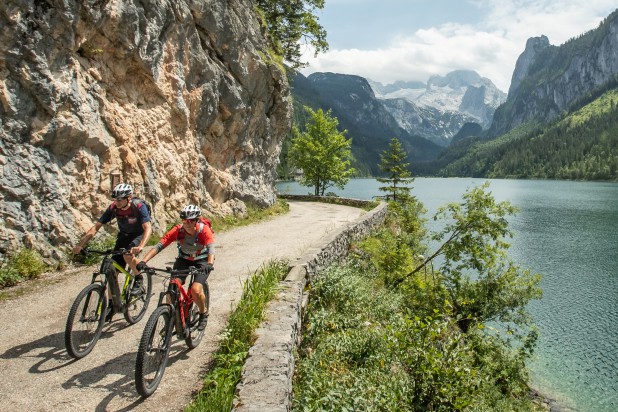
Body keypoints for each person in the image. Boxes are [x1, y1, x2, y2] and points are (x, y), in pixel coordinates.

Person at [137, 204, 214, 331]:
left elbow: (211, 248)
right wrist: (144, 261)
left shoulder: (203, 230)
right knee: (172, 287)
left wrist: (209, 264)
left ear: (197, 220)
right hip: (184, 260)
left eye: (190, 221)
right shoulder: (178, 230)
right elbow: (160, 245)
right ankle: (170, 318)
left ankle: (203, 313)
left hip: (202, 261)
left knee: (195, 290)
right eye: (184, 221)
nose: (187, 224)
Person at [73, 183, 153, 295]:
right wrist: (80, 245)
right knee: (112, 272)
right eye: (115, 199)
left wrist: (140, 246)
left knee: (127, 255)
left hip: (139, 234)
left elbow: (148, 228)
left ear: (129, 197)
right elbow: (96, 227)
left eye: (120, 200)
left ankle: (139, 278)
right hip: (124, 236)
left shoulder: (139, 206)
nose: (117, 202)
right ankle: (112, 304)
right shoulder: (114, 208)